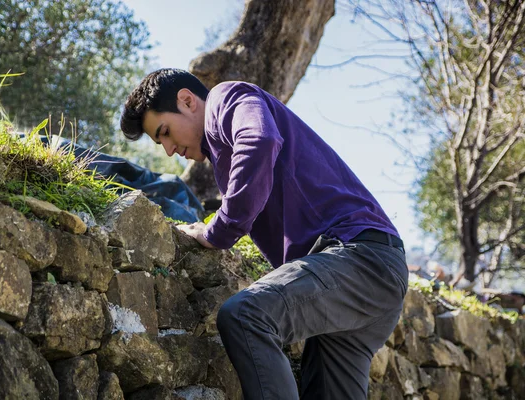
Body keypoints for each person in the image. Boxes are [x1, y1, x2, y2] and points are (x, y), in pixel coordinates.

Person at [120, 68, 408, 400]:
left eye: (165, 132)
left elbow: (260, 139)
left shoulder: (225, 99)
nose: (169, 150)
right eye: (161, 142)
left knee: (245, 315)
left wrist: (219, 230)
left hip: (357, 256)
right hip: (377, 272)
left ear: (187, 101)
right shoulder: (219, 154)